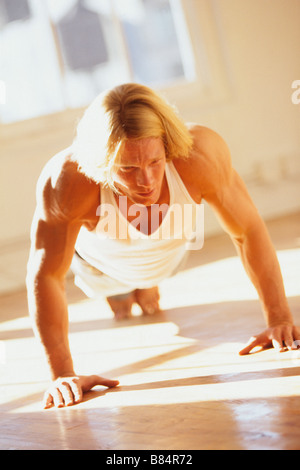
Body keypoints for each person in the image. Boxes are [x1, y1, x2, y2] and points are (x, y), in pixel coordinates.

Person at [26, 83, 299, 409]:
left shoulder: (200, 154)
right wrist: (61, 374)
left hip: (167, 257)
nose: (146, 182)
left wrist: (279, 317)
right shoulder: (68, 179)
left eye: (155, 162)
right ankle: (123, 291)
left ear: (167, 146)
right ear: (100, 163)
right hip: (101, 267)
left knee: (150, 295)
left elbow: (247, 231)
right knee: (123, 303)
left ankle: (146, 285)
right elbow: (47, 275)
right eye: (127, 168)